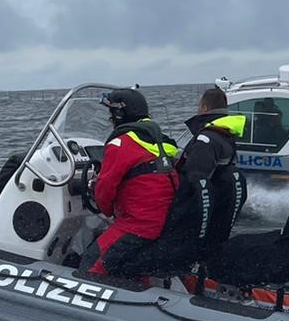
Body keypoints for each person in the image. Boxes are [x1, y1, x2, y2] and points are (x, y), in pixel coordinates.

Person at [84, 87, 180, 279]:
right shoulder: (160, 141)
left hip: (138, 225)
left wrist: (106, 208)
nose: (110, 120)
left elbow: (105, 189)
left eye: (111, 114)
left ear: (120, 114)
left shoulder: (121, 144)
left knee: (91, 261)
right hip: (164, 223)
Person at [176, 86, 248, 261]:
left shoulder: (206, 139)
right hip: (217, 207)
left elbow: (194, 177)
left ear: (204, 109)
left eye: (199, 106)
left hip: (199, 211)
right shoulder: (226, 136)